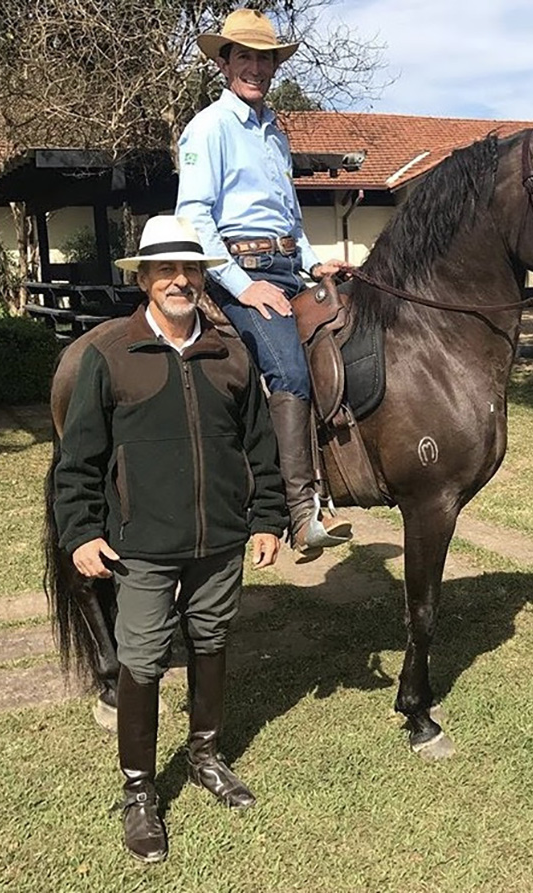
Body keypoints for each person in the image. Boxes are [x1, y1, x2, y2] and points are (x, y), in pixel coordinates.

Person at [53, 216, 288, 864]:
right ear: (145, 279)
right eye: (166, 269)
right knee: (144, 656)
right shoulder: (109, 356)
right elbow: (78, 459)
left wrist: (267, 517)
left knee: (211, 639)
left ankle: (205, 754)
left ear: (202, 277)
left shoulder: (230, 353)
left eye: (190, 269)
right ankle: (139, 791)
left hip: (220, 541)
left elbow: (261, 447)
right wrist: (80, 531)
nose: (179, 280)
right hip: (143, 546)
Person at [176, 8, 354, 557]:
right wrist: (241, 285)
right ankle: (299, 510)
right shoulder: (208, 128)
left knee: (348, 329)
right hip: (238, 271)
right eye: (244, 57)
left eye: (265, 59)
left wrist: (313, 264)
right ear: (224, 63)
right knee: (289, 369)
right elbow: (194, 217)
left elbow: (290, 221)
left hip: (286, 266)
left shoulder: (276, 133)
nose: (255, 68)